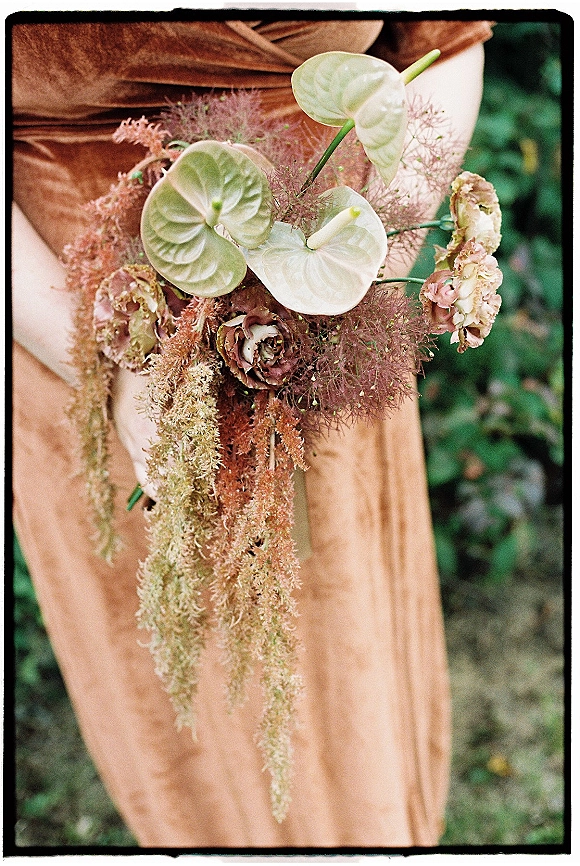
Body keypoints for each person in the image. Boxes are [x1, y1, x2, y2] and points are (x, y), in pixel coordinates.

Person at [12, 17, 493, 848]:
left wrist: (360, 265)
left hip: (333, 320)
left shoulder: (344, 288)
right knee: (193, 686)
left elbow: (445, 46)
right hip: (76, 336)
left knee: (346, 647)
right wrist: (117, 369)